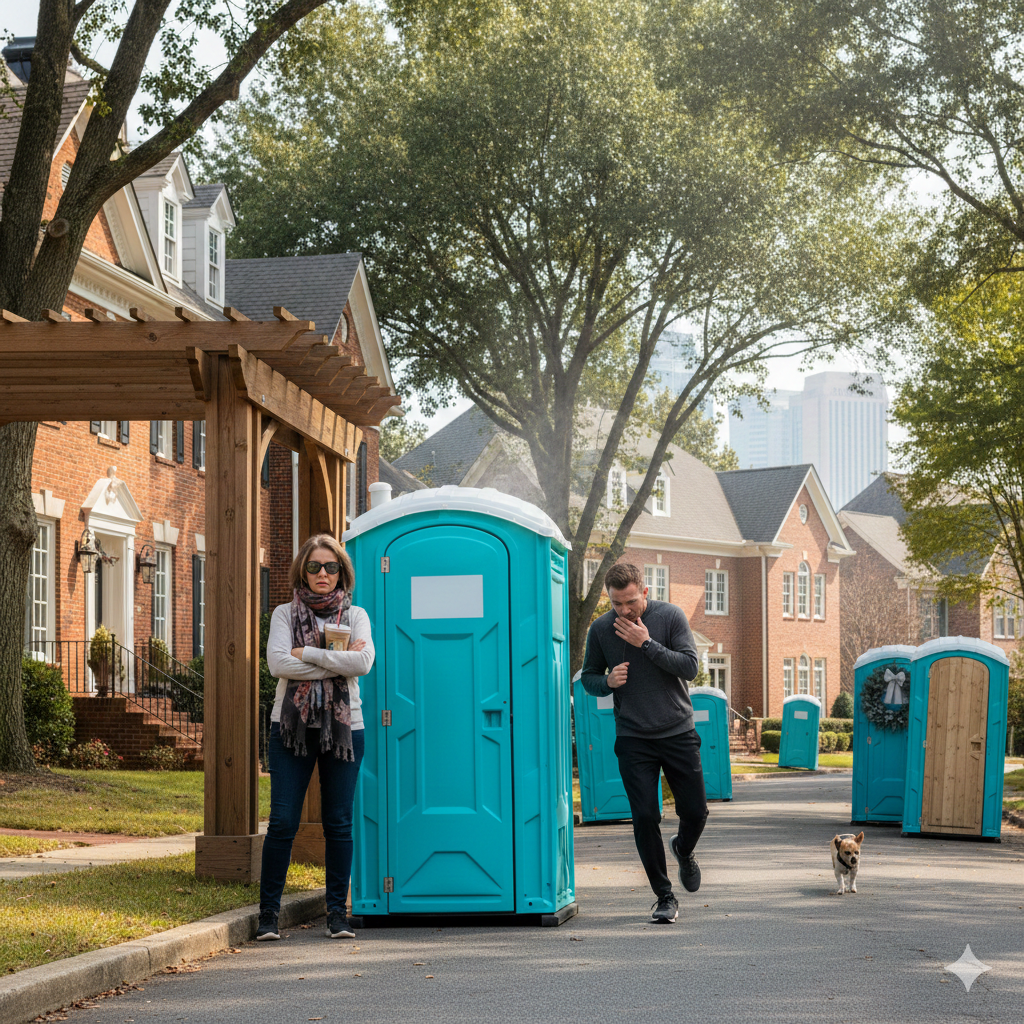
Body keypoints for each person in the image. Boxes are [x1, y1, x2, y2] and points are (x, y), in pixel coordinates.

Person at [256, 534, 374, 941]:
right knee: (282, 822)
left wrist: (306, 654)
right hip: (291, 728)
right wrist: (338, 662)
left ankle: (337, 915)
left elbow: (363, 662)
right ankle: (268, 915)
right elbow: (277, 664)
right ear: (302, 572)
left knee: (338, 823)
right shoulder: (284, 614)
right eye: (314, 566)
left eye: (330, 566)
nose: (322, 573)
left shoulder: (356, 615)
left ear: (342, 572)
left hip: (346, 728)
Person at [580, 561, 706, 924]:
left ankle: (684, 849)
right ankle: (664, 896)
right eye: (616, 603)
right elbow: (589, 677)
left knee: (695, 812)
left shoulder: (670, 617)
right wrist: (607, 683)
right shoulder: (601, 629)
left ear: (645, 592)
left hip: (678, 730)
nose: (624, 610)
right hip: (634, 737)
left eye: (631, 601)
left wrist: (646, 643)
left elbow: (690, 667)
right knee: (645, 817)